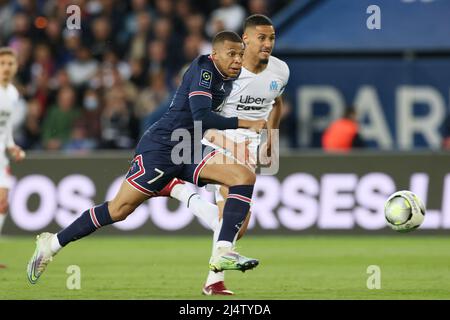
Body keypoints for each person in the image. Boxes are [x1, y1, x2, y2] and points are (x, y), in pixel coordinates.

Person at [26, 31, 267, 285]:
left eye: (240, 54)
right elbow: (201, 117)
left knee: (243, 176)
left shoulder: (232, 75)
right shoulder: (204, 69)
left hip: (188, 146)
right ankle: (51, 244)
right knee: (118, 210)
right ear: (215, 54)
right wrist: (246, 122)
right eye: (231, 54)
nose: (238, 60)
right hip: (161, 147)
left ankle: (223, 252)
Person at [167, 14, 290, 295]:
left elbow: (277, 103)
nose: (268, 43)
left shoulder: (280, 71)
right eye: (262, 37)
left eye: (271, 38)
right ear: (245, 39)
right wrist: (216, 138)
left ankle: (181, 193)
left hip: (252, 145)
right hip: (220, 142)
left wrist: (271, 137)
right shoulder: (226, 71)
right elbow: (201, 114)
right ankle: (214, 282)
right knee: (228, 216)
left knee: (237, 225)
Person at [0, 47, 26, 238]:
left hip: (1, 154)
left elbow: (6, 125)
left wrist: (11, 146)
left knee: (2, 202)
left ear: (16, 67)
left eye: (10, 64)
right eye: (2, 64)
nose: (6, 68)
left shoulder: (12, 93)